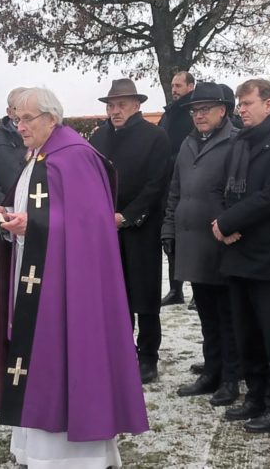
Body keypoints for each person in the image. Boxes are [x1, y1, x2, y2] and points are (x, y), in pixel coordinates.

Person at [0, 87, 149, 468]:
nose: (20, 126)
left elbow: (90, 224)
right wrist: (7, 217)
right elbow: (38, 211)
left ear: (51, 118)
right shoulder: (37, 157)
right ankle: (35, 449)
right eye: (16, 118)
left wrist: (34, 225)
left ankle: (74, 457)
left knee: (62, 357)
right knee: (35, 357)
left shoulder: (75, 156)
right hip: (34, 276)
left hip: (66, 287)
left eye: (27, 119)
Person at [214, 78, 270, 433]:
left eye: (248, 103)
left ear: (269, 105)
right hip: (237, 251)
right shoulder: (239, 142)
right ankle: (255, 396)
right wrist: (225, 224)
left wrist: (228, 221)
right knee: (246, 332)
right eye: (240, 103)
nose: (242, 109)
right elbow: (223, 189)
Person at [162, 82, 240, 407]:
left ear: (223, 110)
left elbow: (240, 193)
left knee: (227, 315)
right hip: (191, 241)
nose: (199, 115)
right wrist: (169, 228)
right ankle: (212, 370)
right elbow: (175, 191)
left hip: (222, 242)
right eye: (195, 110)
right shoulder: (187, 143)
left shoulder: (236, 142)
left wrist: (231, 225)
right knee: (206, 313)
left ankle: (231, 378)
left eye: (206, 109)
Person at [90, 78, 171, 384]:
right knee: (114, 295)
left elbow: (157, 184)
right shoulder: (99, 137)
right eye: (111, 105)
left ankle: (148, 356)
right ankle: (121, 353)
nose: (115, 111)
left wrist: (128, 216)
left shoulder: (155, 136)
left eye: (121, 104)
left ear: (137, 105)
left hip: (141, 226)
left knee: (145, 295)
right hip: (105, 228)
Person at [159, 71, 196, 307]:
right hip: (169, 179)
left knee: (193, 236)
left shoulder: (193, 111)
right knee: (171, 235)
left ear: (191, 86)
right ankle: (176, 289)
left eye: (179, 85)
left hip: (188, 176)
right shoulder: (170, 112)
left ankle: (197, 289)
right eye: (172, 85)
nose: (174, 89)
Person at [0, 87, 29, 202]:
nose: (24, 111)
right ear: (9, 112)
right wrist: (6, 209)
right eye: (18, 107)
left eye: (28, 106)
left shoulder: (44, 137)